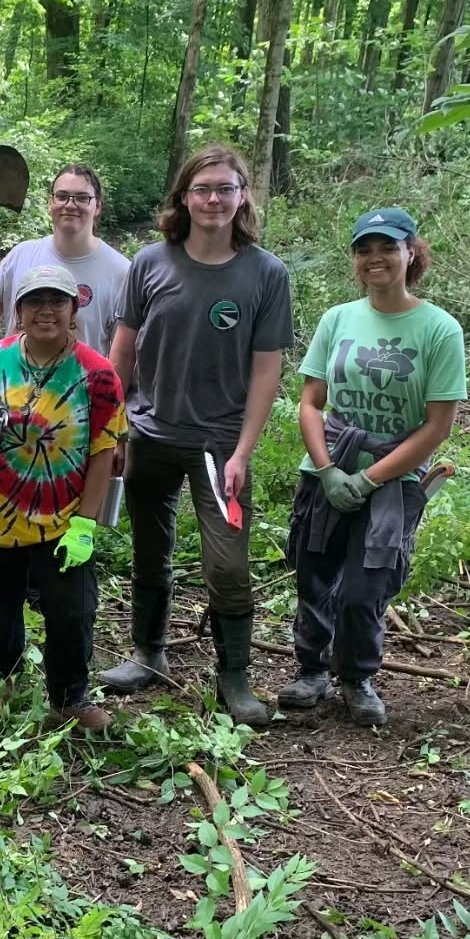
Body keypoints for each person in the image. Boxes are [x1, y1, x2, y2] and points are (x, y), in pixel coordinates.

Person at [101, 145, 294, 726]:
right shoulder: (150, 263)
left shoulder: (265, 273)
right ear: (184, 197)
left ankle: (235, 678)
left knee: (228, 564)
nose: (214, 199)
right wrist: (113, 428)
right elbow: (124, 349)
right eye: (203, 189)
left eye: (225, 189)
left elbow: (267, 370)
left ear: (242, 198)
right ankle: (148, 655)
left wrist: (243, 451)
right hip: (149, 435)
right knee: (148, 551)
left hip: (219, 447)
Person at [280, 209, 465, 726]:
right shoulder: (337, 318)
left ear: (411, 253)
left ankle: (356, 675)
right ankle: (311, 670)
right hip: (328, 464)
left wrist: (368, 477)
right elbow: (311, 402)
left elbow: (436, 427)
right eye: (364, 249)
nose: (375, 258)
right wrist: (327, 469)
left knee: (367, 585)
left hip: (394, 478)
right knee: (315, 572)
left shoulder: (439, 329)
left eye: (387, 247)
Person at [0, 265, 125, 732]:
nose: (46, 310)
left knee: (72, 610)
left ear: (73, 311)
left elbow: (105, 448)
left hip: (63, 518)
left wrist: (86, 524)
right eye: (34, 302)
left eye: (57, 302)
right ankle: (2, 676)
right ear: (18, 312)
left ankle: (68, 696)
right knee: (1, 603)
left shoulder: (97, 373)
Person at [0, 164, 130, 356]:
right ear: (50, 202)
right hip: (13, 383)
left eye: (82, 198)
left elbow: (124, 355)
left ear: (98, 206)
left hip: (80, 385)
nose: (70, 204)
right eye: (62, 196)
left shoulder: (121, 271)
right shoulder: (22, 254)